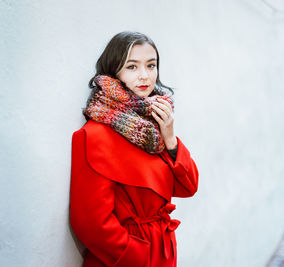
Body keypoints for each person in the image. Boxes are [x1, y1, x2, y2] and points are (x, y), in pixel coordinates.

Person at [69, 31, 199, 267]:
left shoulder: (154, 128)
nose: (144, 75)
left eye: (151, 65)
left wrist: (170, 138)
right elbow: (90, 222)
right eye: (132, 67)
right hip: (123, 259)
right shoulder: (93, 135)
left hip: (161, 254)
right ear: (113, 71)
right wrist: (138, 256)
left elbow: (188, 186)